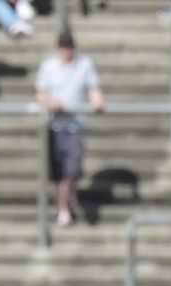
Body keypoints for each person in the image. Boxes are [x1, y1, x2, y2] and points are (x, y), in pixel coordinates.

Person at [35, 32, 104, 228]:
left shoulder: (84, 65)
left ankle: (65, 204)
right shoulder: (49, 67)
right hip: (55, 125)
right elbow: (41, 93)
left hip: (75, 126)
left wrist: (98, 100)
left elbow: (93, 88)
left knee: (71, 170)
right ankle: (63, 207)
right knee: (58, 173)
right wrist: (51, 102)